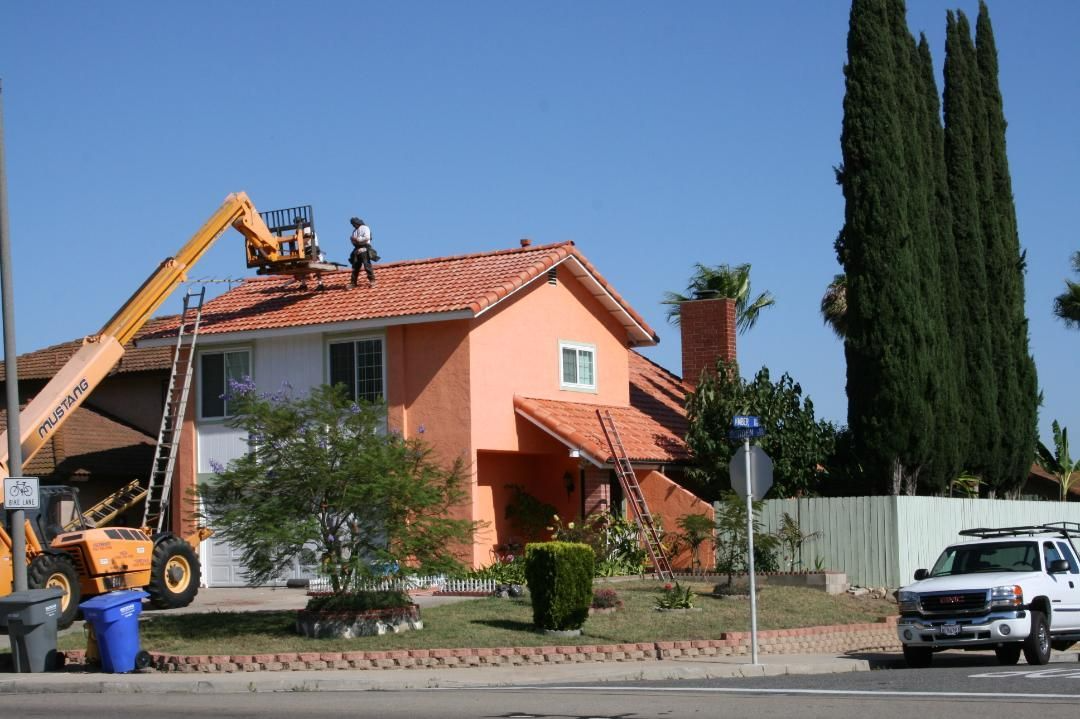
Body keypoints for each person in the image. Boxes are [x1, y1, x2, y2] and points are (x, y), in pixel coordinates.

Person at [348, 217, 376, 287]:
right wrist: (353, 240)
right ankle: (353, 283)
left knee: (367, 265)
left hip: (364, 249)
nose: (353, 225)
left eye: (354, 223)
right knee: (355, 267)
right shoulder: (354, 231)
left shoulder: (364, 228)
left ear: (357, 222)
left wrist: (357, 239)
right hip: (357, 250)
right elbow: (353, 242)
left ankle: (372, 281)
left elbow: (367, 237)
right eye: (352, 224)